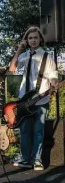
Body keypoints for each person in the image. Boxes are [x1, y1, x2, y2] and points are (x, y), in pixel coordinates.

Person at [9, 26, 58, 171]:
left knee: (38, 131)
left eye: (36, 37)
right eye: (30, 38)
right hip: (24, 100)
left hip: (41, 98)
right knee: (24, 131)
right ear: (27, 40)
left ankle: (37, 160)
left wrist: (54, 81)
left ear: (40, 39)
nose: (33, 40)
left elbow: (53, 74)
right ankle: (26, 159)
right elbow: (12, 68)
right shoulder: (23, 56)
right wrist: (19, 49)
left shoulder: (46, 56)